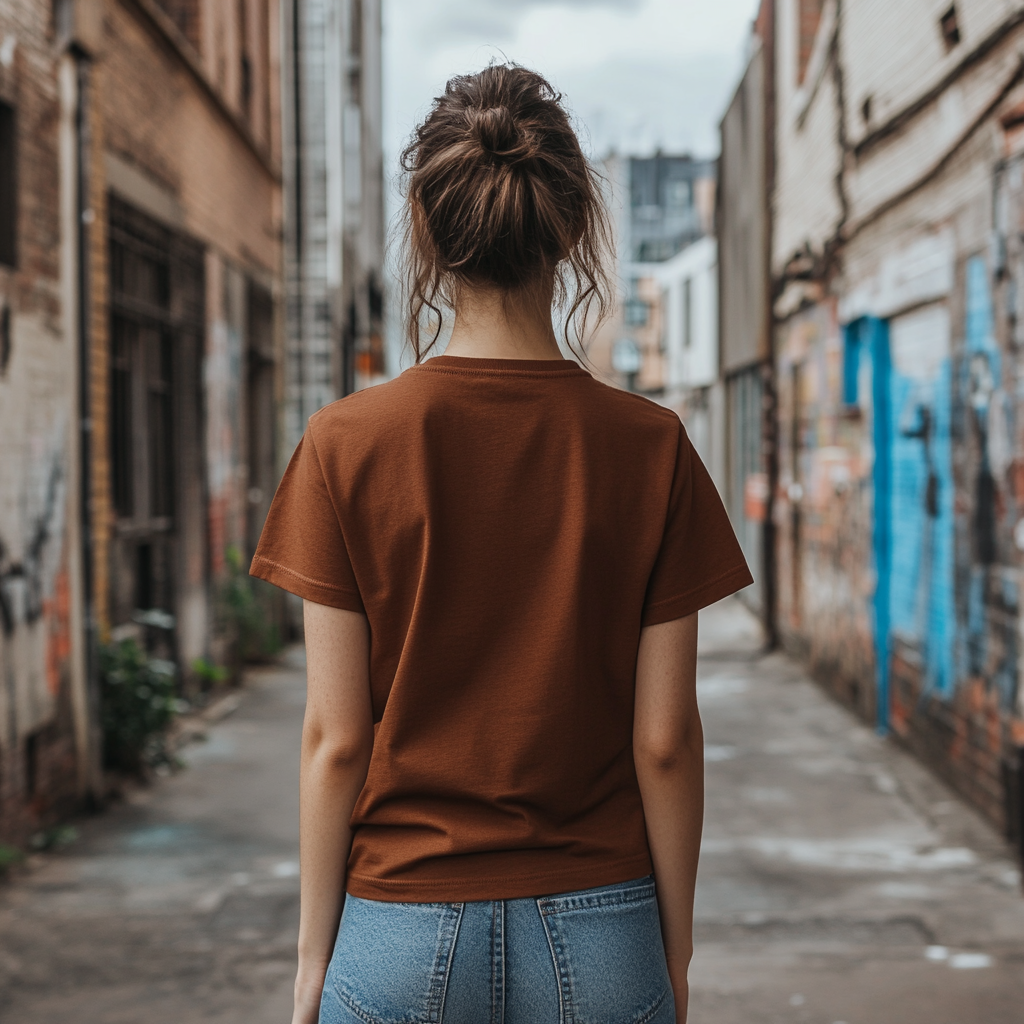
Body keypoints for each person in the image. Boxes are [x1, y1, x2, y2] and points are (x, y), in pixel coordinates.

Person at [251, 63, 752, 1024]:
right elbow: (665, 739)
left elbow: (335, 738)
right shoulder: (650, 447)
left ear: (429, 236)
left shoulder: (345, 444)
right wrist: (673, 952)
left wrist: (316, 958)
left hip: (397, 924)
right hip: (604, 928)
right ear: (571, 230)